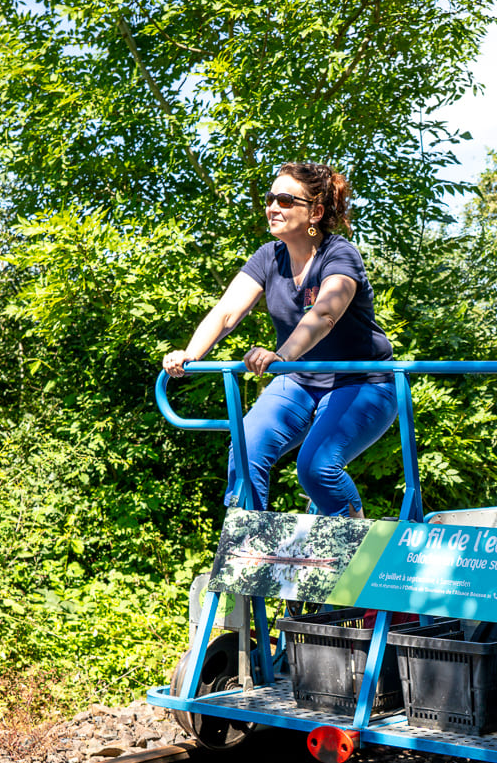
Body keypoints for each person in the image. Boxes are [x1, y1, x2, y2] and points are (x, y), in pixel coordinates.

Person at [162, 162, 396, 517]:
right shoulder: (268, 258)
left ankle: (353, 539)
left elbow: (325, 314)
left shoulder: (339, 254)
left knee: (317, 468)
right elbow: (227, 312)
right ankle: (248, 551)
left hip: (362, 381)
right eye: (271, 198)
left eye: (286, 200)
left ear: (315, 211)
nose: (273, 207)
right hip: (300, 380)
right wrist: (189, 355)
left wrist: (282, 355)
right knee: (245, 451)